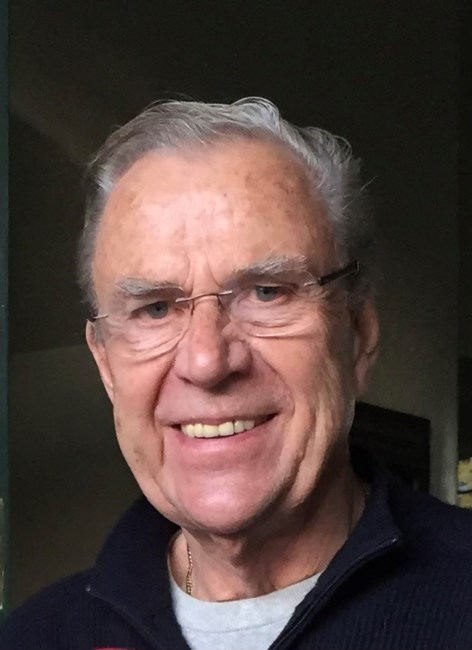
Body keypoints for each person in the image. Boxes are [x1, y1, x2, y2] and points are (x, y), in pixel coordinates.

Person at [1, 98, 472, 650]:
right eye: (155, 308)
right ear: (105, 363)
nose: (207, 361)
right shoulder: (35, 637)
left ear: (358, 335)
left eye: (267, 292)